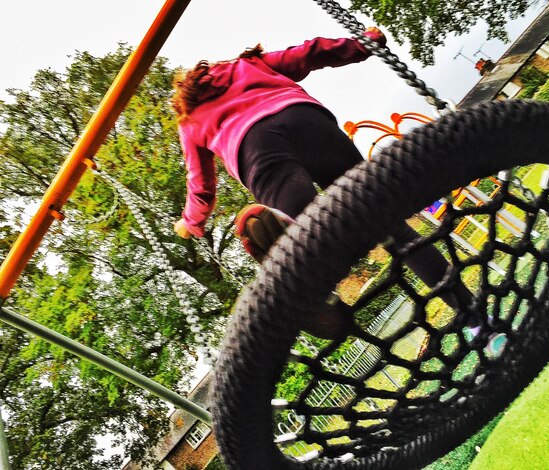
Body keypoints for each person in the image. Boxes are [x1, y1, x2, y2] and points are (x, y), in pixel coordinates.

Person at [171, 29, 475, 338]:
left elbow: (201, 184)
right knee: (394, 231)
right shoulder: (245, 65)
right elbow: (307, 53)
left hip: (257, 151)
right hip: (310, 123)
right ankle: (475, 317)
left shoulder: (189, 121)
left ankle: (310, 281)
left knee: (305, 240)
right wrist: (363, 43)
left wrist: (189, 224)